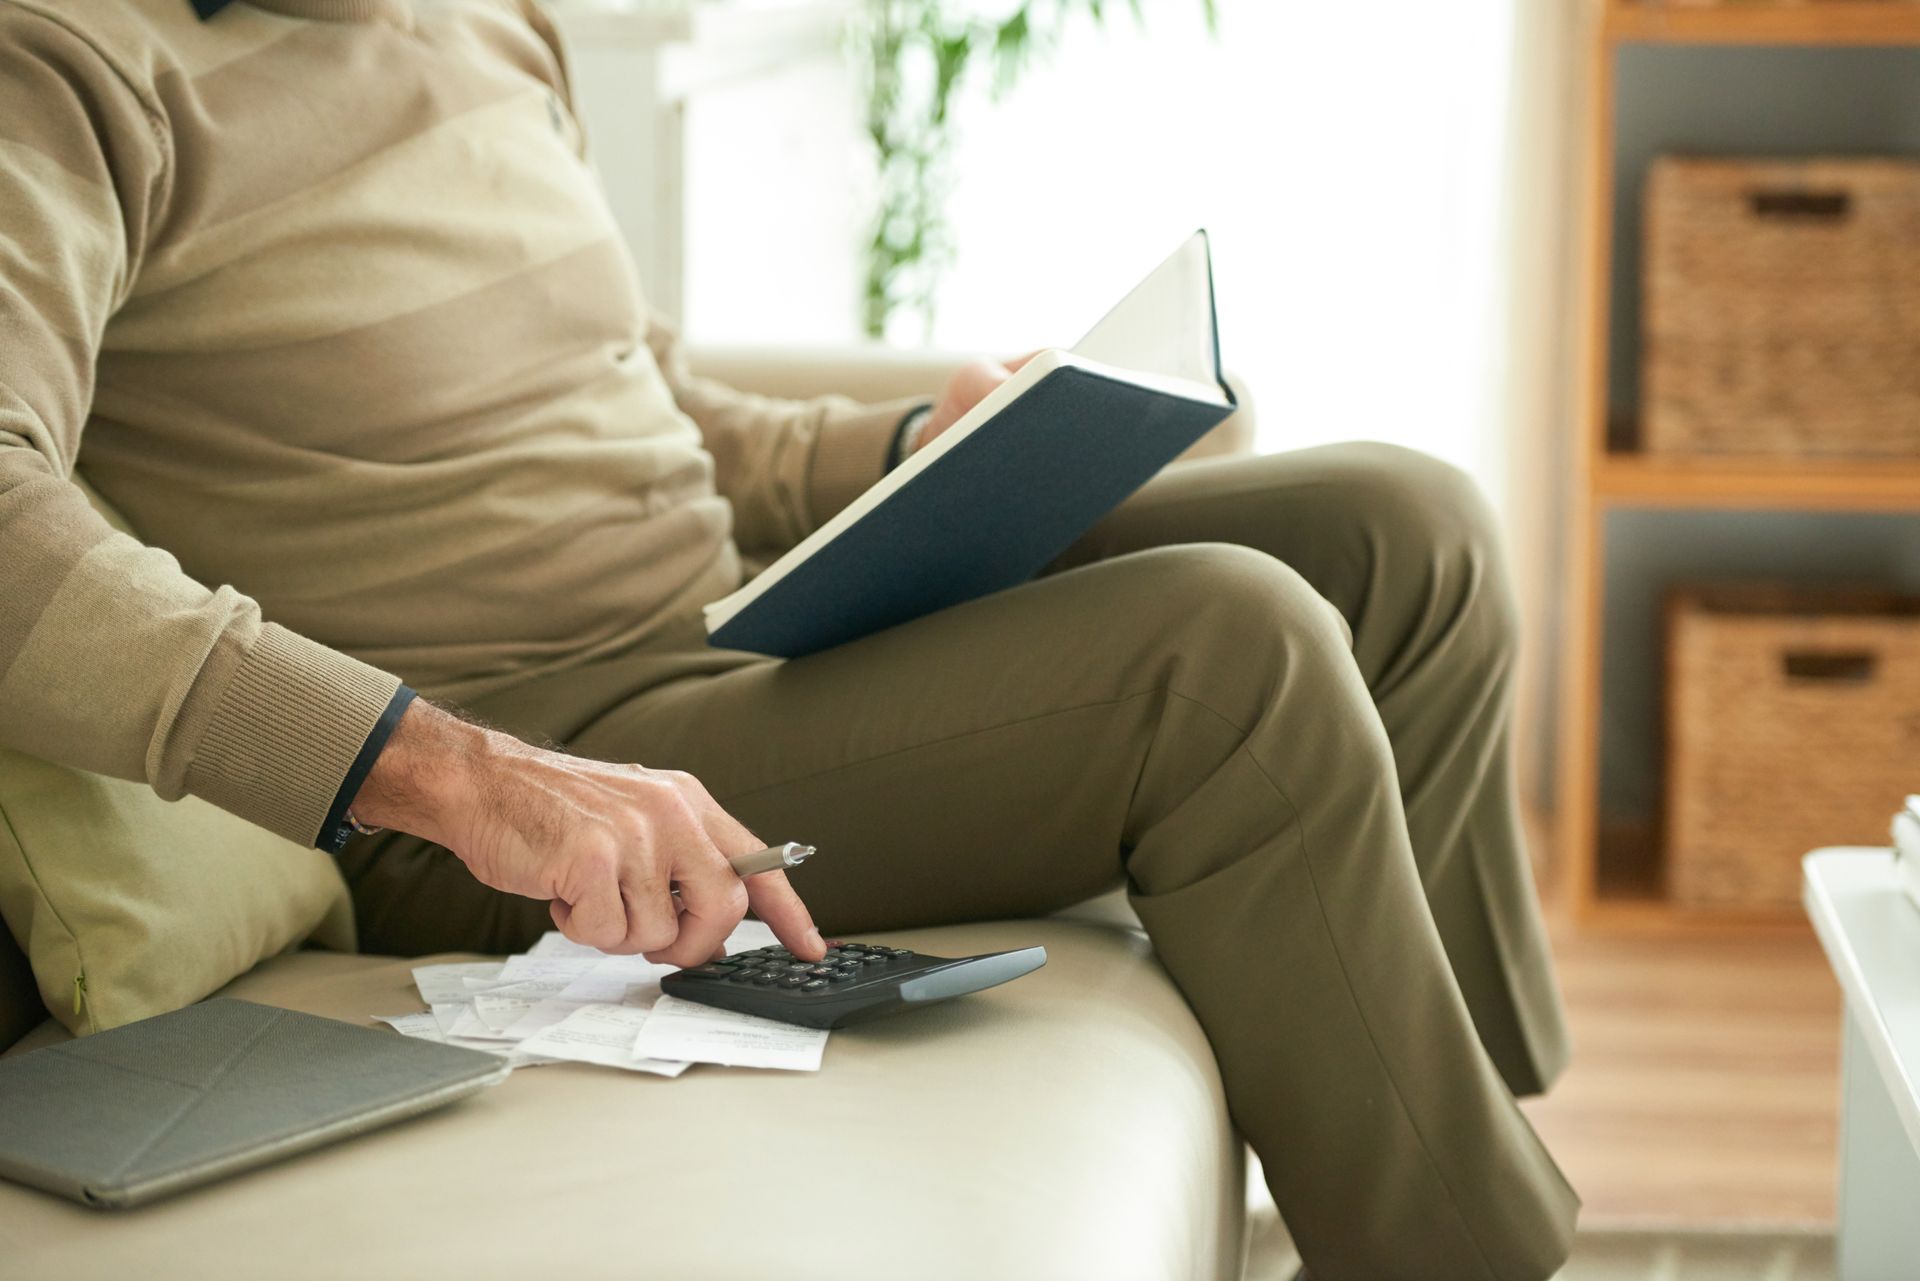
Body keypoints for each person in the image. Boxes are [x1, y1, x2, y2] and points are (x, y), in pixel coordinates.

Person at [0, 1, 1577, 1276]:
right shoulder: (73, 64)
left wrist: (900, 449)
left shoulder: (488, 22)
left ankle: (1446, 1144)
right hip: (508, 780)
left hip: (728, 626)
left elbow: (642, 393)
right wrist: (454, 770)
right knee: (1228, 659)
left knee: (1408, 531)